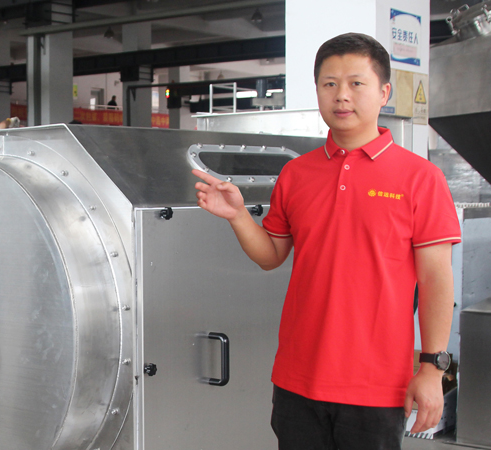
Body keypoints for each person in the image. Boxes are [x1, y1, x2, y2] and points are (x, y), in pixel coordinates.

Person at [193, 32, 461, 450]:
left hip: (375, 385)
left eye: (356, 83)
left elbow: (436, 280)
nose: (342, 96)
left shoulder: (420, 178)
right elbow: (271, 255)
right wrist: (238, 216)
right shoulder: (296, 174)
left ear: (384, 92)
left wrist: (432, 366)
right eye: (329, 84)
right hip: (297, 379)